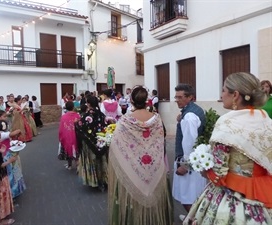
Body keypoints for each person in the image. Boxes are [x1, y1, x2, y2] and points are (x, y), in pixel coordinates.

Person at [183, 72, 272, 225]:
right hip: (263, 194)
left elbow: (218, 173)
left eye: (224, 90)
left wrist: (204, 170)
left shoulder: (227, 123)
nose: (221, 94)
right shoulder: (266, 120)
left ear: (235, 95)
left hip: (230, 199)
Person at [108, 86, 173, 225]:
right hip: (154, 165)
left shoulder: (126, 120)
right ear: (147, 100)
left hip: (133, 166)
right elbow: (160, 141)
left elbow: (116, 143)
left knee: (133, 199)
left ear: (131, 100)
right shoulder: (156, 119)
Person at [172, 84, 207, 220]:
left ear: (190, 97)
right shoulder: (193, 111)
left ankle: (194, 220)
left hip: (189, 161)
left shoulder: (189, 116)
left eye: (180, 97)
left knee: (186, 195)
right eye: (176, 97)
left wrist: (185, 165)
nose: (177, 100)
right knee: (193, 193)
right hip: (196, 159)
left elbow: (190, 142)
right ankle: (192, 218)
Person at [75, 95, 108, 190]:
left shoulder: (87, 116)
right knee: (102, 160)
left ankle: (95, 180)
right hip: (101, 141)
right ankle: (104, 179)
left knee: (93, 160)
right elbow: (105, 125)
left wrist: (76, 124)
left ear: (88, 104)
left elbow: (81, 127)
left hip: (90, 143)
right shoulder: (101, 114)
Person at [0, 120, 26, 199]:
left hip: (7, 153)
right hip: (6, 155)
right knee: (11, 172)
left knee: (14, 170)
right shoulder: (2, 134)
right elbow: (11, 134)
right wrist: (19, 130)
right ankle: (12, 191)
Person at [58, 102, 80, 170]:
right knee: (76, 151)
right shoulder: (77, 116)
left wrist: (60, 137)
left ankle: (69, 165)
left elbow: (61, 128)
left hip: (66, 137)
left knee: (67, 151)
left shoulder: (63, 117)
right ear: (73, 107)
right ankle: (78, 166)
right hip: (76, 137)